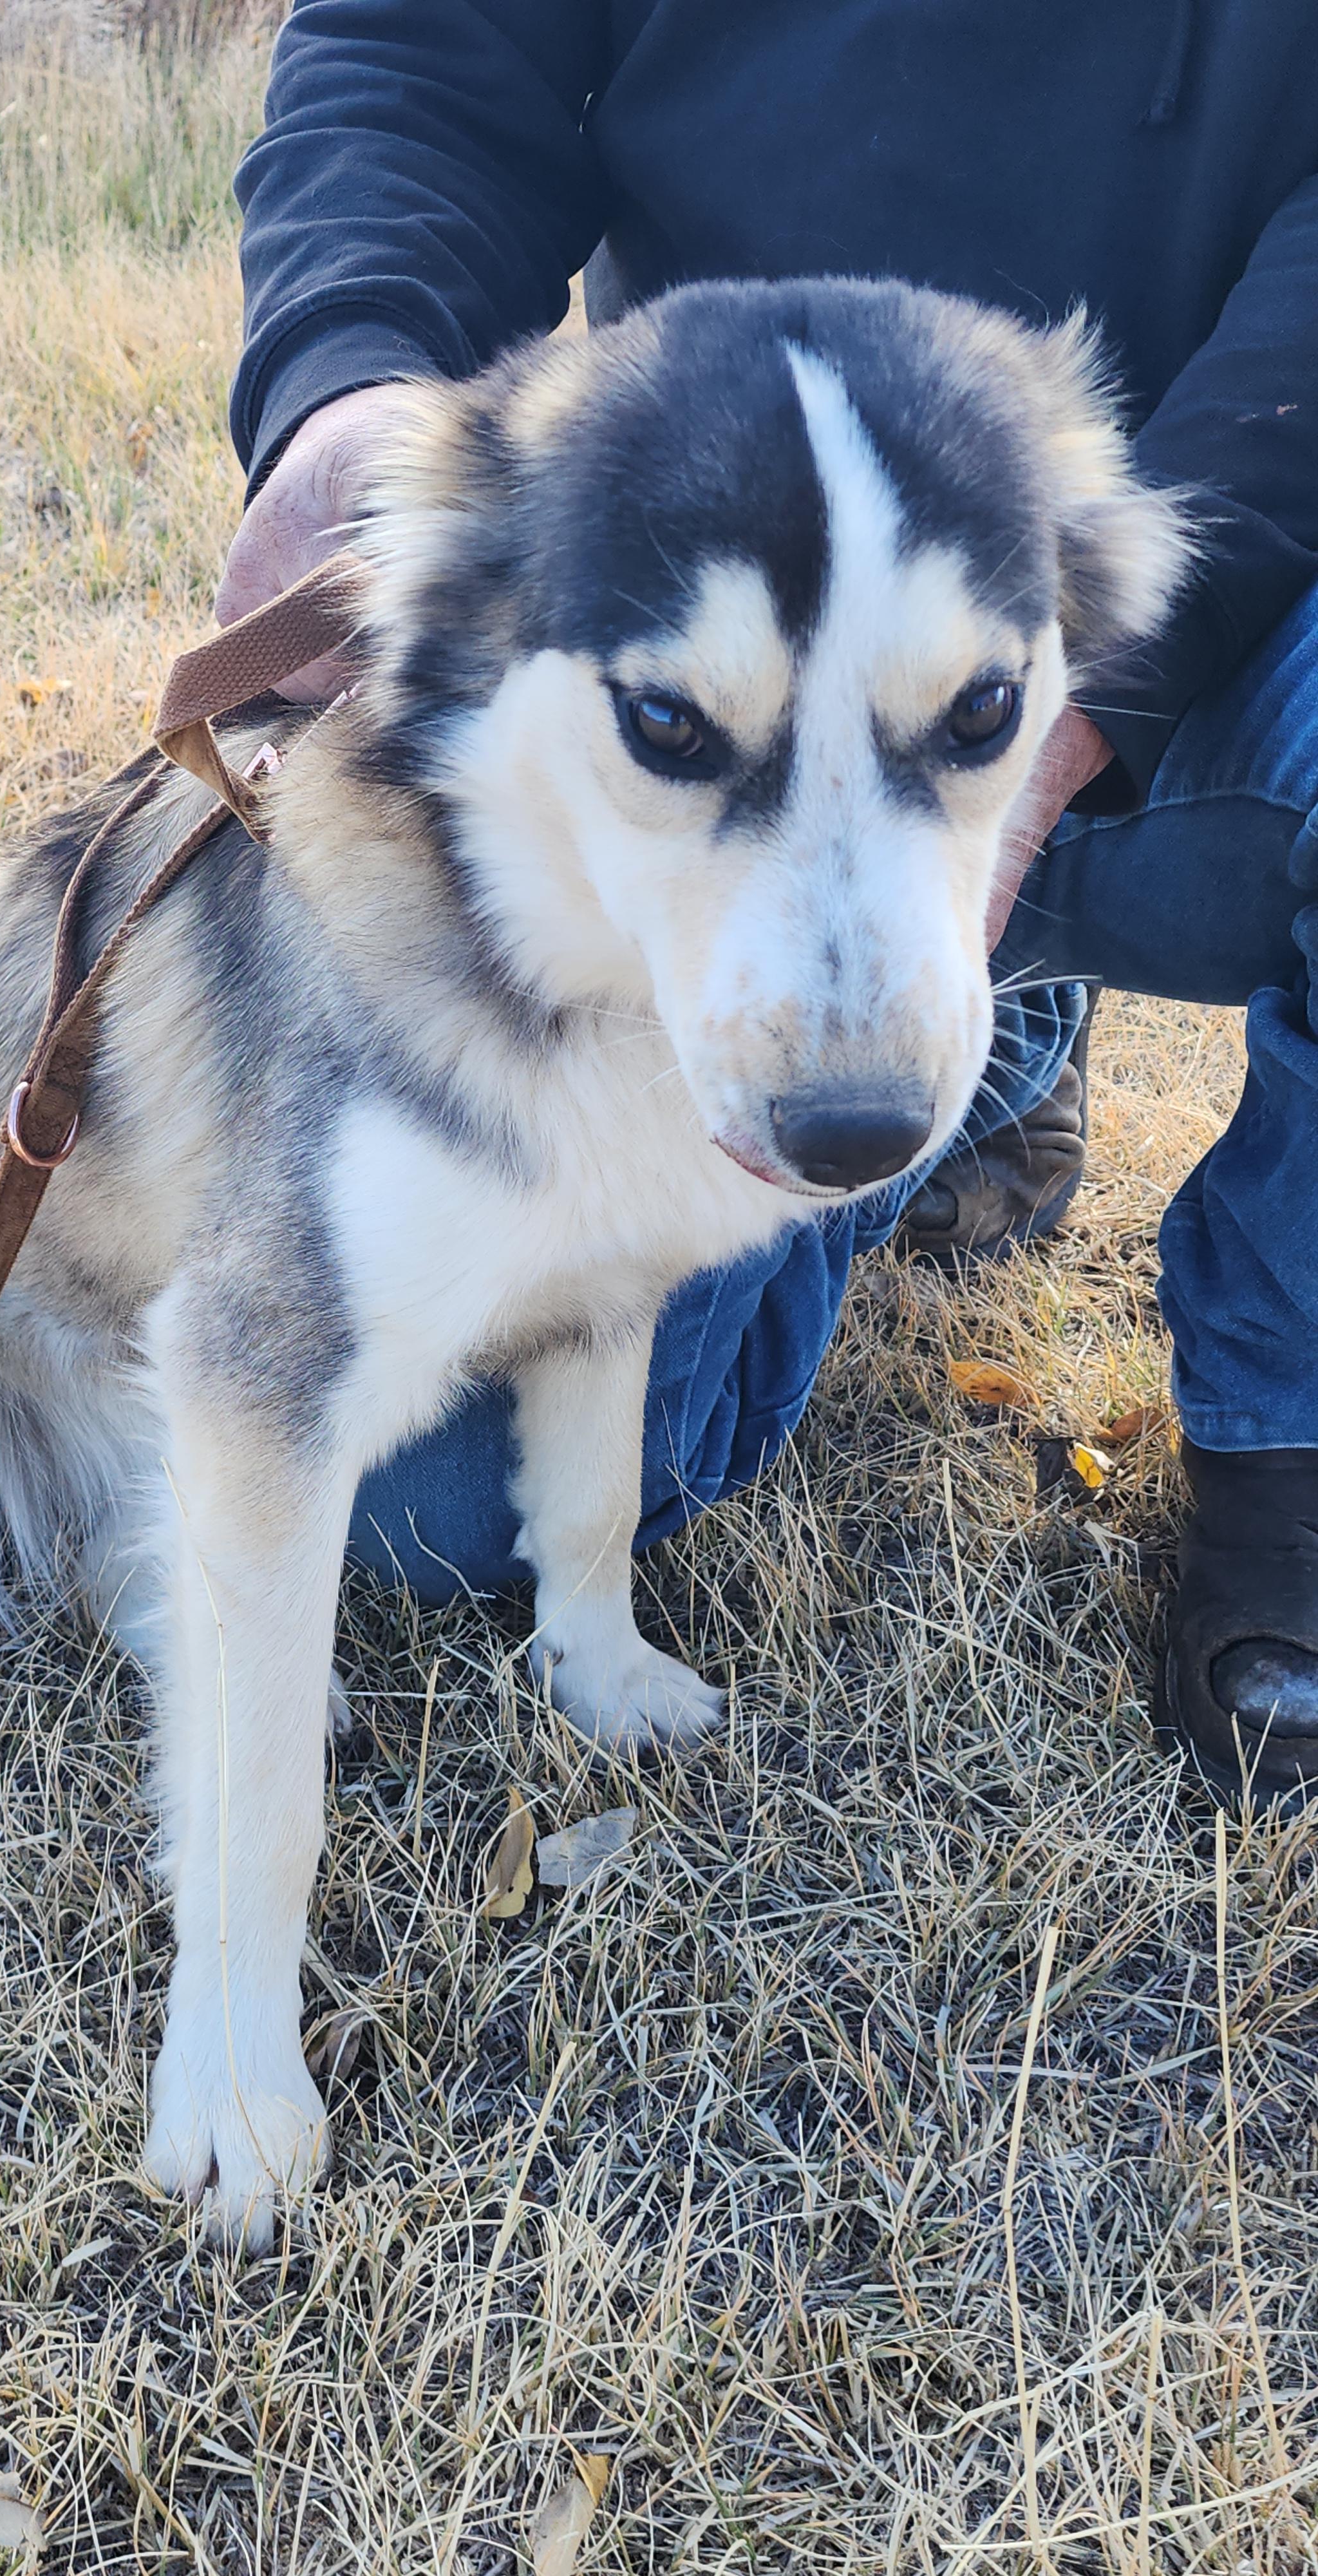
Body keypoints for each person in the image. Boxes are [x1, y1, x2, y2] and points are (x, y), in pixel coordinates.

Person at [214, 0, 1318, 1808]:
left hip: (1204, 598)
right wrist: (349, 376)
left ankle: (1296, 1429)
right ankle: (997, 1032)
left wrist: (1048, 712)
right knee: (432, 1515)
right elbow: (430, 46)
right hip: (706, 640)